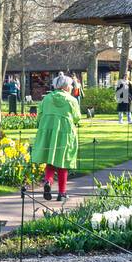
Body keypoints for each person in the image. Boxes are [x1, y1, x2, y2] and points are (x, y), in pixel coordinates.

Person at [31, 74, 80, 202]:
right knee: (63, 162)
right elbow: (77, 117)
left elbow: (39, 115)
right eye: (70, 85)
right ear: (65, 86)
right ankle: (62, 193)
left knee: (50, 160)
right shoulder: (72, 100)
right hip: (65, 132)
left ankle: (48, 180)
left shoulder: (47, 98)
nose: (71, 87)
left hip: (48, 131)